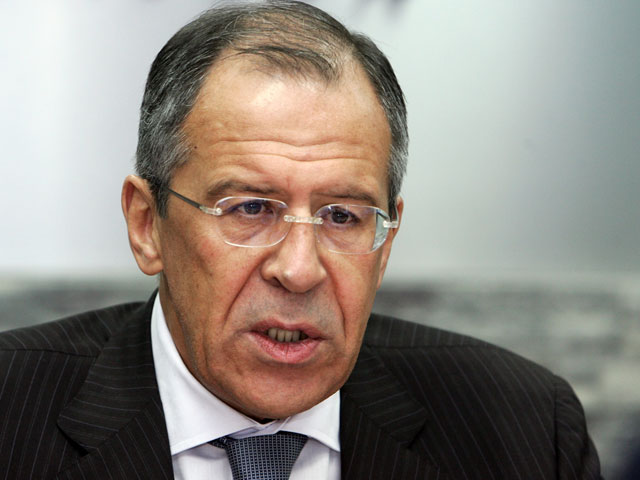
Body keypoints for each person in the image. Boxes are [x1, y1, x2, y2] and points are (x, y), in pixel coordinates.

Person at [0, 1, 601, 479]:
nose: (299, 269)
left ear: (386, 243)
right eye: (250, 208)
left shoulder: (524, 430)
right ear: (146, 224)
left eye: (342, 217)